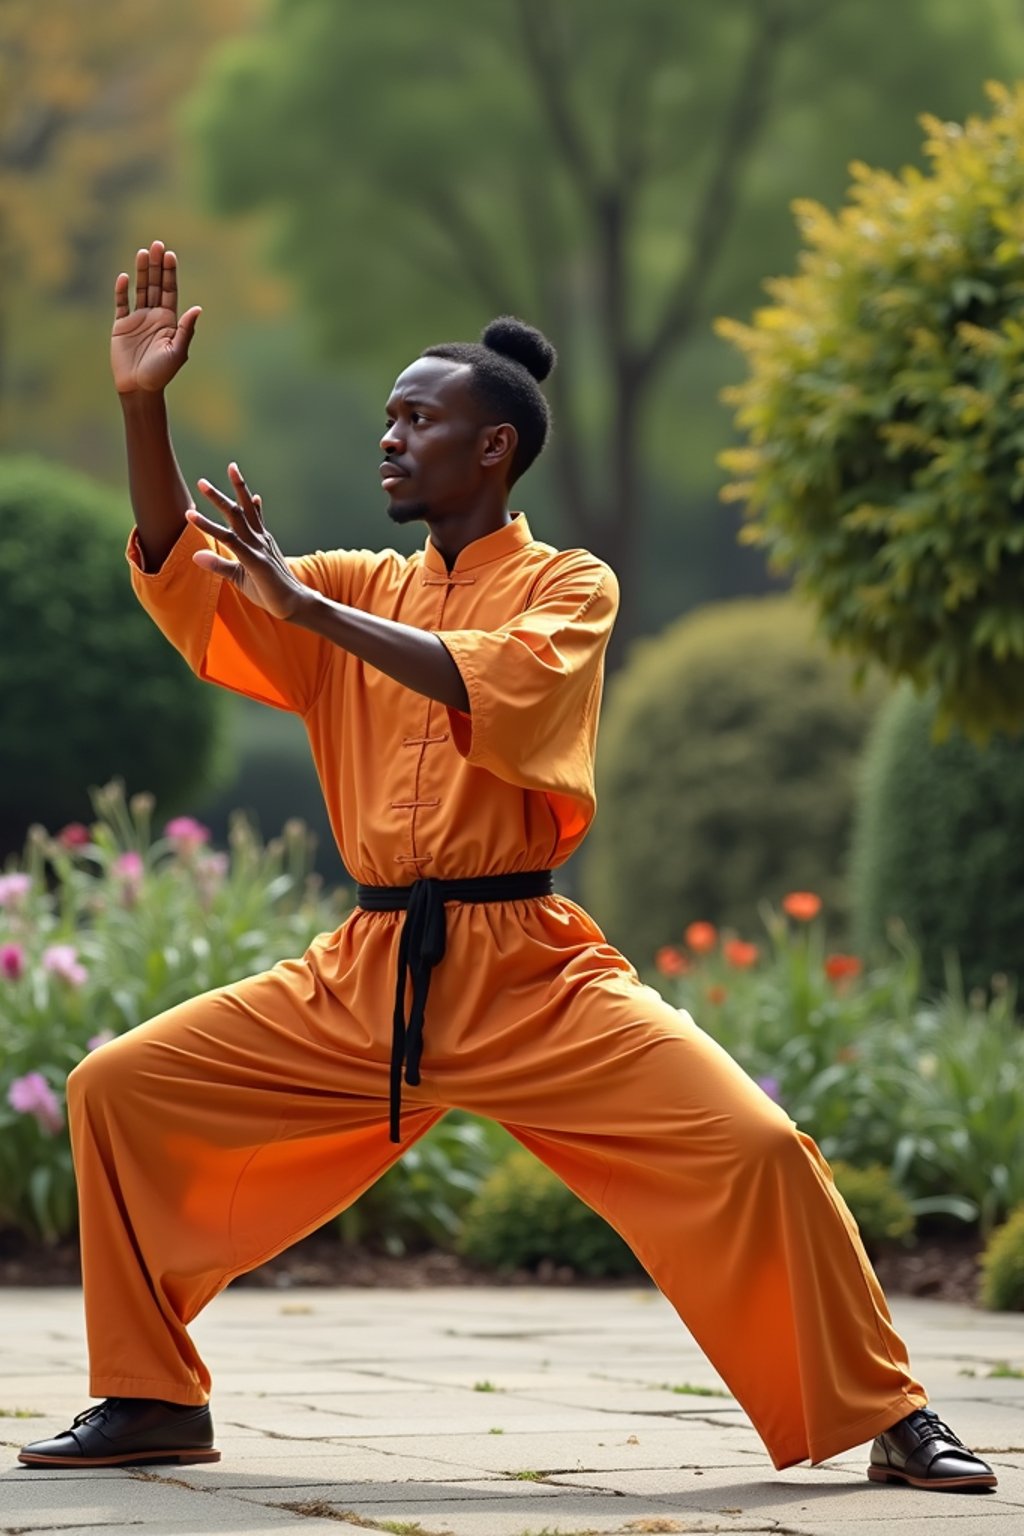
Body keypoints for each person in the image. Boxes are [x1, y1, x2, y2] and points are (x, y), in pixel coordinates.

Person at [20, 240, 994, 1494]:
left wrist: (309, 614)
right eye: (385, 418)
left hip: (529, 972)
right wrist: (141, 410)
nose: (389, 438)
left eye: (417, 420)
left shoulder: (566, 584)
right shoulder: (364, 582)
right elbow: (189, 583)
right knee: (117, 1088)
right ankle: (150, 1397)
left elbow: (502, 680)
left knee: (755, 1147)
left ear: (494, 450)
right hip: (365, 978)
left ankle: (891, 1411)